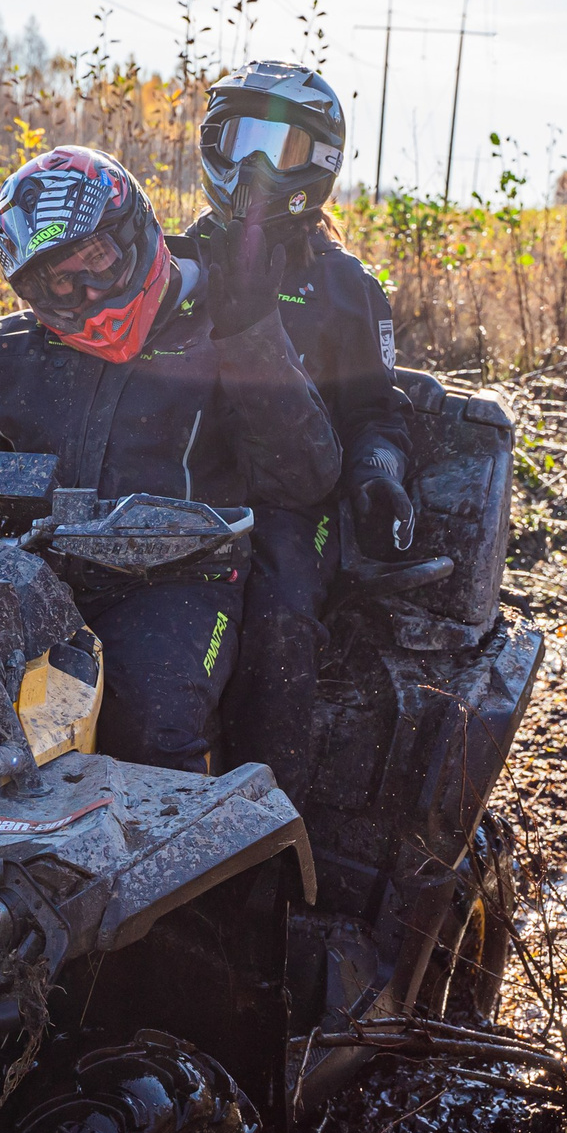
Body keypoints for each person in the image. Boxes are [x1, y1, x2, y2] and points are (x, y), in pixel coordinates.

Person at [0, 145, 341, 774]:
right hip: (26, 571)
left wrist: (252, 333)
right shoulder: (12, 346)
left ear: (136, 231)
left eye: (96, 260)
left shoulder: (224, 323)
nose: (82, 290)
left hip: (179, 581)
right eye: (56, 280)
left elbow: (306, 473)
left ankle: (210, 859)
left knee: (147, 724)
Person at [187, 61, 417, 797]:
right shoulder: (175, 259)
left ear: (316, 164)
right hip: (176, 478)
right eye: (239, 139)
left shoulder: (348, 290)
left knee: (278, 605)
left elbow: (378, 413)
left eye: (275, 146)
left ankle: (265, 817)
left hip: (294, 507)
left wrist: (378, 471)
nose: (252, 164)